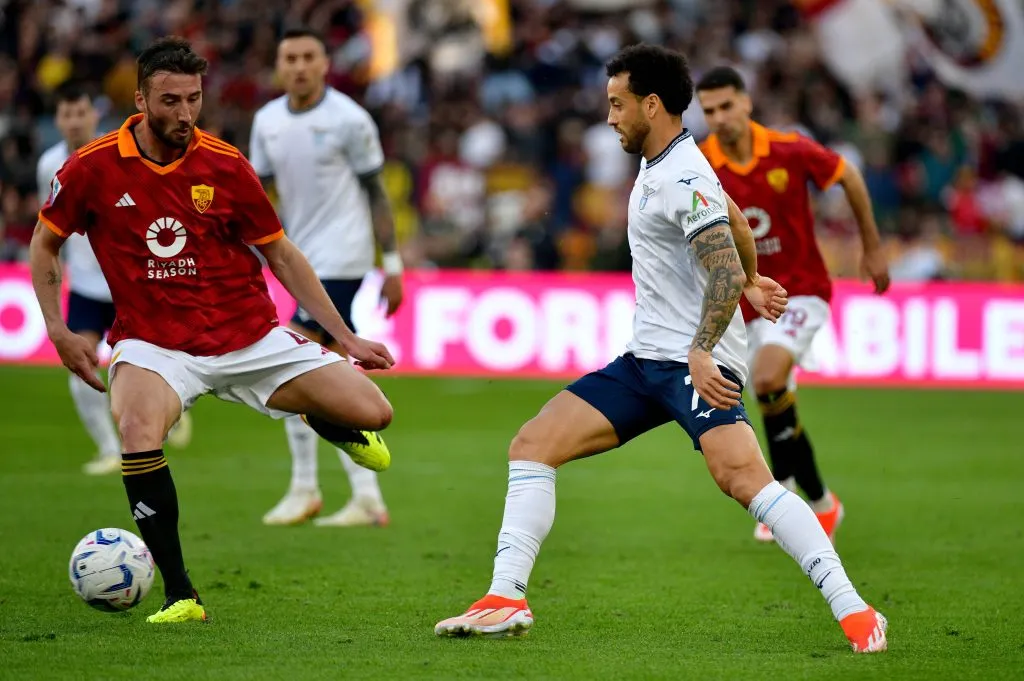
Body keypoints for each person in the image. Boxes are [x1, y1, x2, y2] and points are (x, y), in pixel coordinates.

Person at [434, 45, 887, 654]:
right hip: (644, 361)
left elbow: (720, 268)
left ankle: (856, 611)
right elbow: (735, 221)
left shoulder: (679, 173)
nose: (610, 116)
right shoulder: (671, 163)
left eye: (618, 104)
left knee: (746, 482)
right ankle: (505, 597)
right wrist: (752, 278)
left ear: (652, 104)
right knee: (533, 444)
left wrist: (707, 344)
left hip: (692, 365)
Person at [30, 37, 395, 624]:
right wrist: (57, 327)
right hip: (155, 345)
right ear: (141, 98)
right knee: (137, 427)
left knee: (375, 412)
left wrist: (345, 337)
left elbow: (281, 256)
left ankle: (326, 417)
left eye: (193, 100)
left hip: (249, 336)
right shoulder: (91, 167)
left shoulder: (225, 164)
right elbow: (44, 243)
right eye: (170, 100)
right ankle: (181, 595)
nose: (183, 114)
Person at [695, 66, 890, 544]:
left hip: (800, 289)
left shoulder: (789, 149)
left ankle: (778, 494)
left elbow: (849, 176)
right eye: (709, 110)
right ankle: (822, 502)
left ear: (746, 103)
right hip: (744, 302)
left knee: (766, 378)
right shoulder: (700, 163)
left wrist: (871, 245)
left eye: (726, 106)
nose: (719, 117)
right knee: (770, 395)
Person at [249, 27, 402, 528]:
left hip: (345, 254)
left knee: (293, 358)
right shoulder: (267, 121)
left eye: (307, 56)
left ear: (324, 63)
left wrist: (393, 262)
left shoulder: (350, 120)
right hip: (301, 256)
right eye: (288, 56)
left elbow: (377, 192)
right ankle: (367, 496)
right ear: (279, 64)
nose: (298, 66)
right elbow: (257, 195)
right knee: (325, 371)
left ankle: (305, 487)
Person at [37, 82, 194, 475]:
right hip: (88, 287)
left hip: (132, 285)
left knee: (160, 367)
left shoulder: (118, 155)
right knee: (82, 370)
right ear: (58, 120)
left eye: (81, 113)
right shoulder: (48, 166)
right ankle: (111, 450)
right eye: (66, 115)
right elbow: (49, 231)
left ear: (94, 115)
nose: (74, 122)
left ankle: (171, 411)